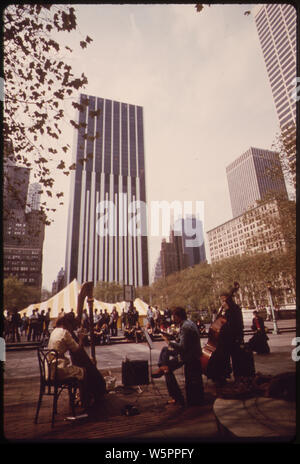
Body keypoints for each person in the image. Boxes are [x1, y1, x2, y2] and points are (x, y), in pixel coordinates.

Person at [47, 313, 106, 412]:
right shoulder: (65, 333)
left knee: (78, 369)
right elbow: (77, 349)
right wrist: (81, 339)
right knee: (83, 371)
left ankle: (81, 397)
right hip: (58, 370)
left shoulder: (55, 331)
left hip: (50, 368)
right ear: (68, 324)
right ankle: (85, 400)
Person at [152, 307, 204, 407]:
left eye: (174, 317)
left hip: (189, 356)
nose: (173, 320)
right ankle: (163, 366)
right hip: (190, 352)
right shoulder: (188, 323)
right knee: (164, 350)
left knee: (167, 366)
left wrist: (169, 342)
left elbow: (182, 347)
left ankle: (176, 396)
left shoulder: (185, 327)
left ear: (178, 317)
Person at [207, 289, 244, 386]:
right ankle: (222, 376)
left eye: (224, 300)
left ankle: (238, 378)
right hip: (224, 339)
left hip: (232, 338)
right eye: (222, 300)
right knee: (222, 357)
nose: (223, 302)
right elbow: (219, 323)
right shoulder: (225, 311)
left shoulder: (234, 309)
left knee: (236, 360)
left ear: (229, 300)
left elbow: (236, 325)